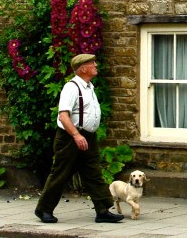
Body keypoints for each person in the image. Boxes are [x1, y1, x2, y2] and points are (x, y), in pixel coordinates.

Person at [34, 53, 124, 224]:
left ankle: (103, 210)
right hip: (69, 138)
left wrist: (85, 135)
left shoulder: (89, 87)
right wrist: (76, 135)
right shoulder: (71, 87)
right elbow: (63, 115)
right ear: (83, 68)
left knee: (93, 173)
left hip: (88, 136)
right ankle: (43, 209)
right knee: (60, 173)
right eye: (92, 63)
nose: (96, 65)